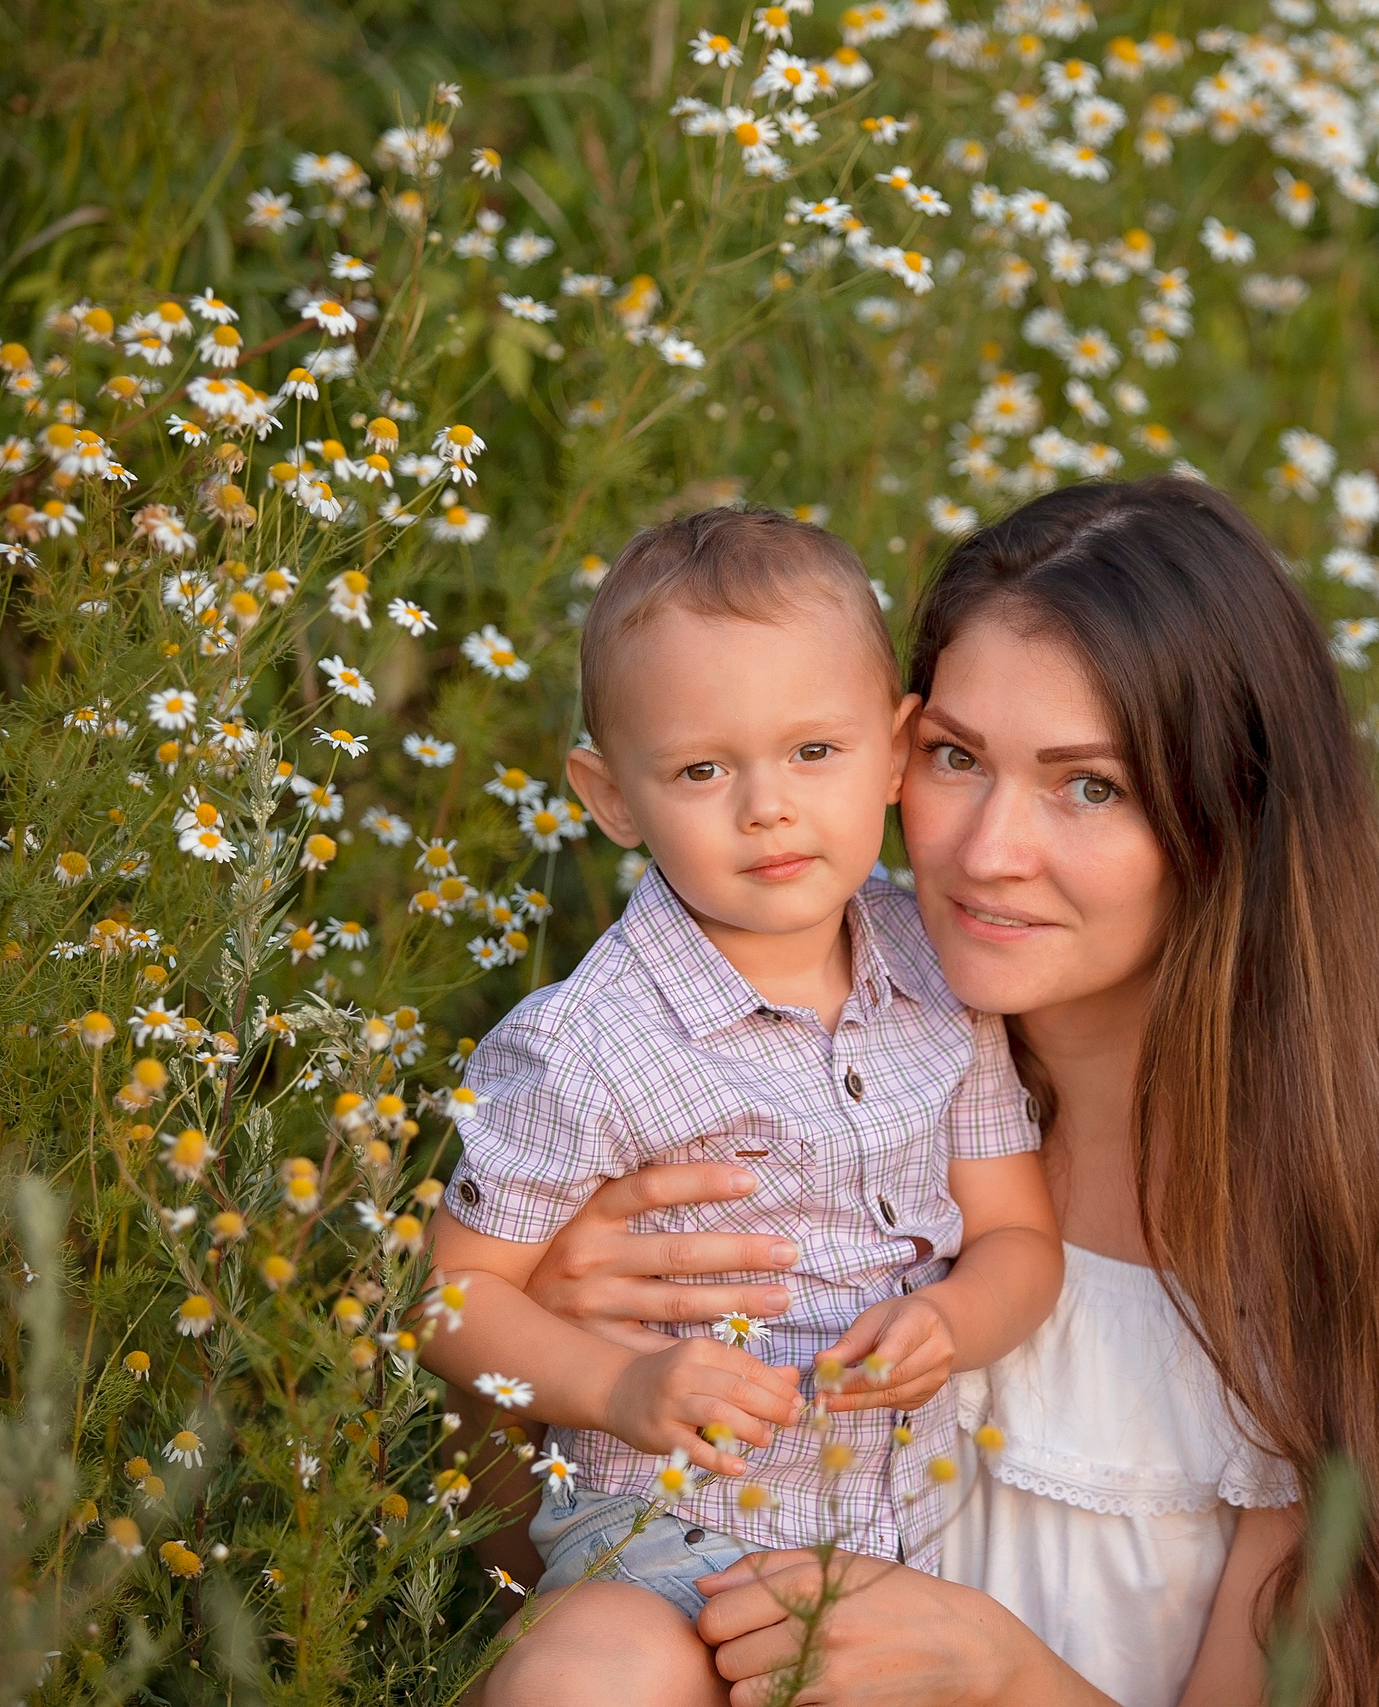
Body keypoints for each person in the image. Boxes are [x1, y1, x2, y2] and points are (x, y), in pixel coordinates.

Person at [490, 477, 1379, 1706]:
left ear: (1235, 812)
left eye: (1089, 785)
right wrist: (543, 1342)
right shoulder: (746, 1097)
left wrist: (1003, 1679)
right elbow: (501, 1587)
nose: (985, 849)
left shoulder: (1361, 1249)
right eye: (958, 758)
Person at [422, 508, 1064, 1707]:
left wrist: (959, 1321)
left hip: (895, 1546)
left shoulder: (937, 976)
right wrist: (616, 1389)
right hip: (660, 1536)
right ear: (612, 797)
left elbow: (1020, 1239)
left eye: (813, 753)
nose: (765, 806)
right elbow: (453, 1300)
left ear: (894, 752)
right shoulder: (586, 1044)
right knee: (593, 1679)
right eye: (702, 769)